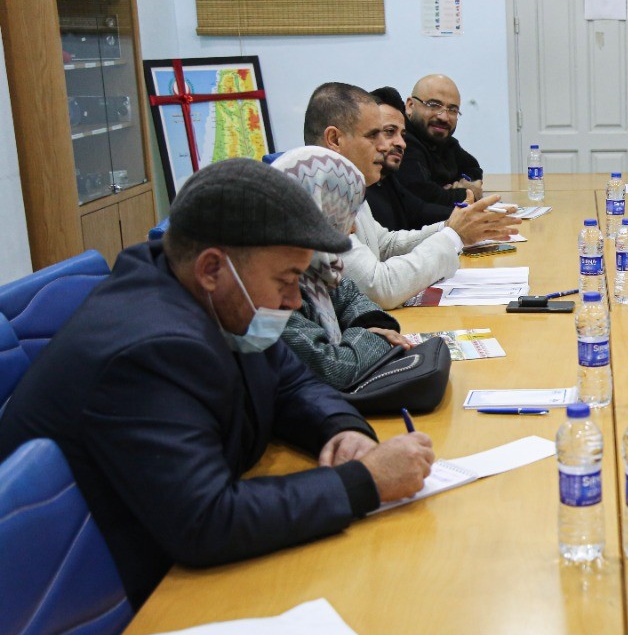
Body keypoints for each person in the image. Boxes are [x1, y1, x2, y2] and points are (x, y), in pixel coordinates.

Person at [0, 159, 439, 609]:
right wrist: (363, 482)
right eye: (287, 280)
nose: (294, 301)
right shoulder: (149, 350)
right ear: (211, 268)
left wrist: (341, 430)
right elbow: (206, 521)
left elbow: (289, 382)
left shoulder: (207, 292)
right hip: (117, 599)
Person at [301, 82, 519, 309]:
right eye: (374, 135)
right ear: (335, 139)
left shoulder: (345, 186)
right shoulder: (316, 197)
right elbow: (379, 288)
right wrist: (453, 236)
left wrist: (451, 227)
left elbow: (384, 245)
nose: (385, 146)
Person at [272, 147, 412, 389]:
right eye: (345, 214)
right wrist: (372, 337)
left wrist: (366, 327)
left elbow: (350, 295)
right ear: (318, 210)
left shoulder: (318, 265)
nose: (353, 229)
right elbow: (335, 368)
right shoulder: (271, 289)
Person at [364, 86, 453, 230]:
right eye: (390, 131)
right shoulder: (348, 189)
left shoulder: (387, 179)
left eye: (403, 135)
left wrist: (467, 215)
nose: (402, 143)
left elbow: (419, 211)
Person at [401, 73, 484, 202]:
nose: (444, 117)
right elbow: (425, 198)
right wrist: (468, 193)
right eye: (434, 105)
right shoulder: (401, 141)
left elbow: (473, 168)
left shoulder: (444, 141)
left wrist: (464, 183)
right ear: (410, 106)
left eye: (452, 110)